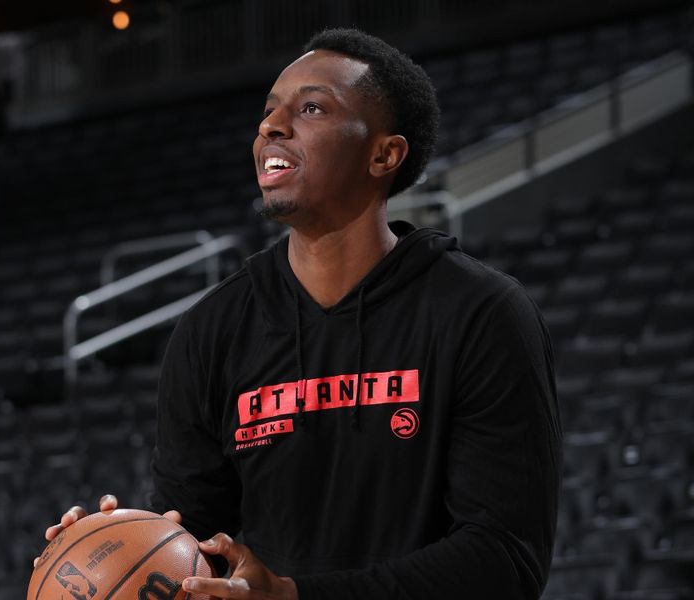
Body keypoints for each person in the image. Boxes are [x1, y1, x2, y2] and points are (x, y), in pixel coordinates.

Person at [41, 28, 562, 599]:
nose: (271, 127)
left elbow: (505, 560)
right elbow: (195, 547)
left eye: (310, 108)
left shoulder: (483, 313)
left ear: (384, 154)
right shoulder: (212, 329)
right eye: (268, 112)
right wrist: (115, 549)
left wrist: (294, 596)